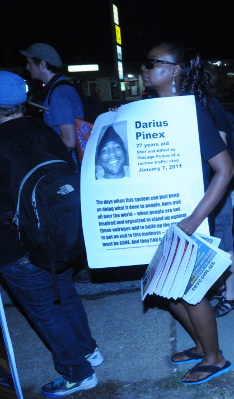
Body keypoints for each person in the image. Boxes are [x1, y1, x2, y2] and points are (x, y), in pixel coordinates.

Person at [0, 71, 103, 397]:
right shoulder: (44, 131)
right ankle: (89, 351)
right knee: (64, 294)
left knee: (45, 310)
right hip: (59, 236)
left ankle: (77, 372)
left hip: (16, 247)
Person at [140, 42, 234, 384]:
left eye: (153, 63)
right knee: (164, 288)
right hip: (160, 216)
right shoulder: (150, 109)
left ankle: (215, 357)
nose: (145, 69)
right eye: (146, 63)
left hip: (189, 217)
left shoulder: (191, 112)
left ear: (176, 70)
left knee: (192, 292)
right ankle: (199, 346)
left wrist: (193, 221)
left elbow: (225, 169)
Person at [20, 43, 93, 283]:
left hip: (66, 170)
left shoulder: (59, 93)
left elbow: (69, 140)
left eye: (30, 62)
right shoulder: (58, 89)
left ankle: (79, 266)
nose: (26, 66)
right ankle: (81, 266)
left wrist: (37, 147)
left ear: (42, 63)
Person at [201, 61, 234, 318]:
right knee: (210, 242)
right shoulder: (200, 107)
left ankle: (231, 295)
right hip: (204, 188)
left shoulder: (212, 108)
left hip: (218, 189)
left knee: (224, 244)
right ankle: (218, 287)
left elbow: (221, 150)